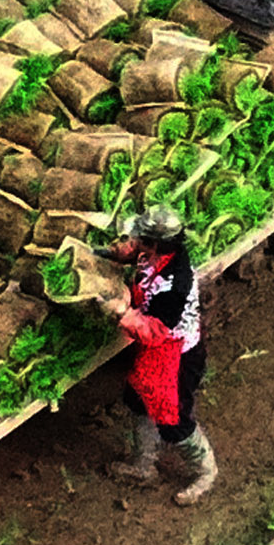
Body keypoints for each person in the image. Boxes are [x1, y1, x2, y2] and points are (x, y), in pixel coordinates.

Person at [107, 215, 216, 503]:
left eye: (143, 240)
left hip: (177, 353)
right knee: (137, 400)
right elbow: (133, 254)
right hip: (155, 352)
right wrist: (111, 254)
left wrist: (121, 313)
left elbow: (155, 330)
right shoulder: (154, 254)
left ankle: (205, 471)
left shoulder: (175, 283)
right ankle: (143, 465)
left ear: (159, 244)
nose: (137, 244)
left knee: (173, 418)